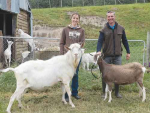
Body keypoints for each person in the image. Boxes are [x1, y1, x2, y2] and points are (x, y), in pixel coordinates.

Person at [96, 11, 130, 98]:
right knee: (105, 75)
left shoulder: (121, 28)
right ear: (106, 18)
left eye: (112, 16)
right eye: (108, 16)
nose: (110, 18)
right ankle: (104, 92)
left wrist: (128, 52)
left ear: (115, 17)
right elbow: (99, 41)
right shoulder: (103, 30)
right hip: (106, 56)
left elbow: (125, 41)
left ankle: (117, 93)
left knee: (118, 75)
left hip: (117, 56)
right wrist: (98, 50)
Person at [59, 12, 85, 101]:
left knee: (75, 74)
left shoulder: (81, 30)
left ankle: (74, 92)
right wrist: (62, 53)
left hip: (76, 57)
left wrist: (76, 48)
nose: (75, 20)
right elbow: (62, 42)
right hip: (67, 57)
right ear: (71, 18)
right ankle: (66, 94)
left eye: (77, 18)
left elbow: (82, 42)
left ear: (79, 20)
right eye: (74, 18)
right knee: (66, 75)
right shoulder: (65, 29)